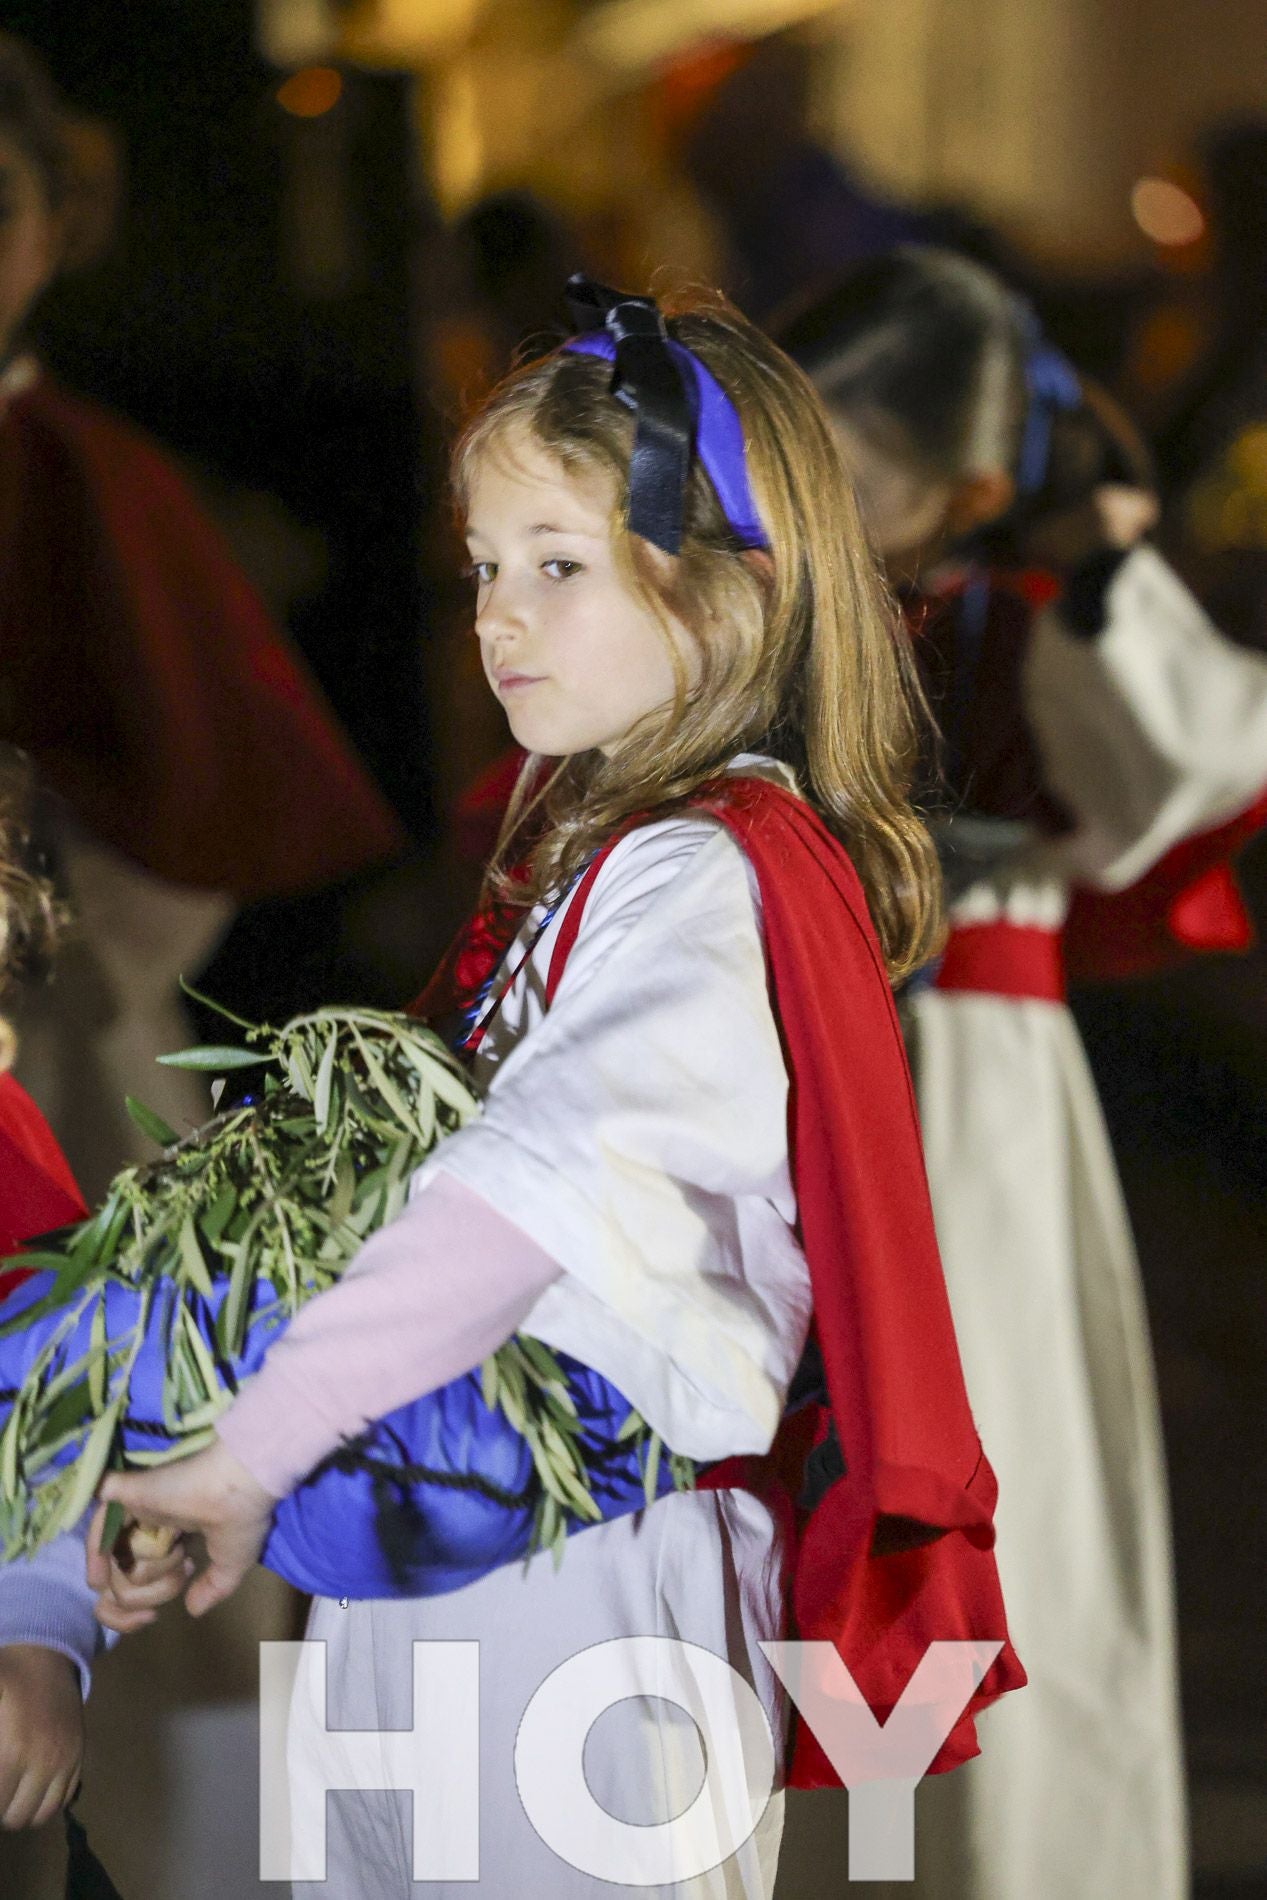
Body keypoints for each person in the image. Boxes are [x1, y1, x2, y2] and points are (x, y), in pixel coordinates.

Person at [87, 278, 1024, 1898]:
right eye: (482, 569)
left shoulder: (705, 882)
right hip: (448, 1554)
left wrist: (245, 1455)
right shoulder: (596, 866)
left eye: (558, 566)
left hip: (586, 1598)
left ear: (734, 593)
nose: (494, 617)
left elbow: (510, 1205)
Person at [776, 247, 1267, 1900]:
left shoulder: (1025, 625)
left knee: (985, 1482)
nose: (814, 502)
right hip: (772, 1091)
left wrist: (1106, 550)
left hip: (967, 1114)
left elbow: (1201, 759)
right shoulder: (751, 614)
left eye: (858, 469)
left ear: (972, 486)